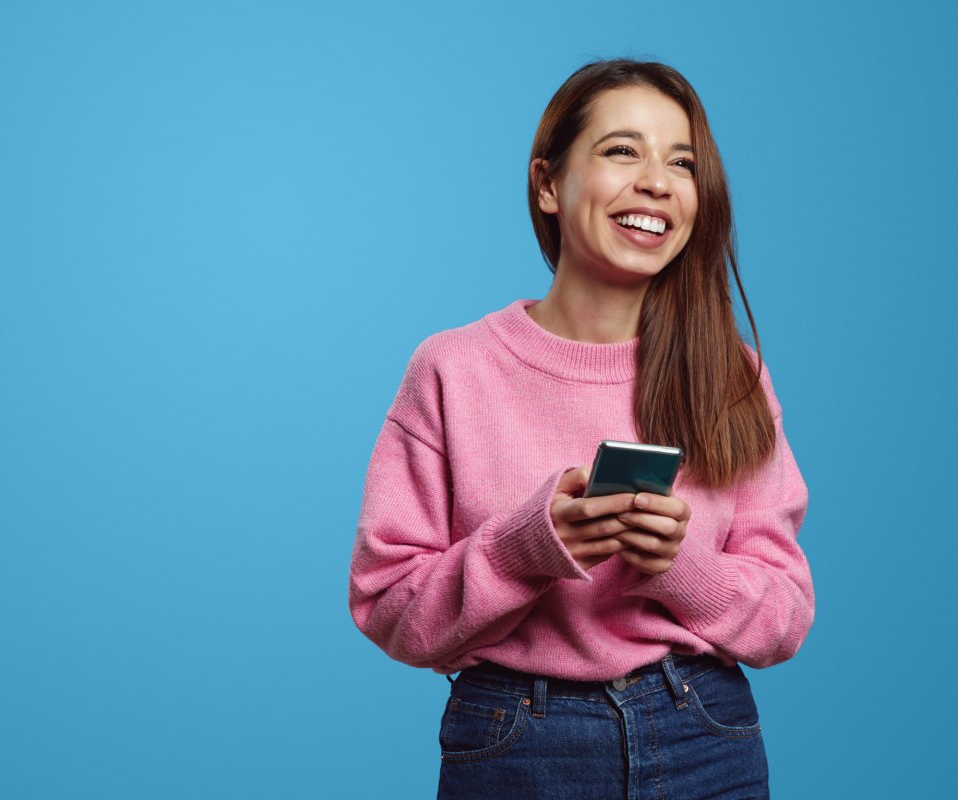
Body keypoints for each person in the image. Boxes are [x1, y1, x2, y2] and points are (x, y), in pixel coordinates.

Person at [348, 58, 814, 799]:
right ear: (546, 185)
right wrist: (525, 548)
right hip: (515, 742)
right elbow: (387, 606)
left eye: (682, 161)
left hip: (706, 736)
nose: (657, 181)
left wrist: (681, 567)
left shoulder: (734, 375)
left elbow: (785, 619)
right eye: (622, 150)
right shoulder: (452, 369)